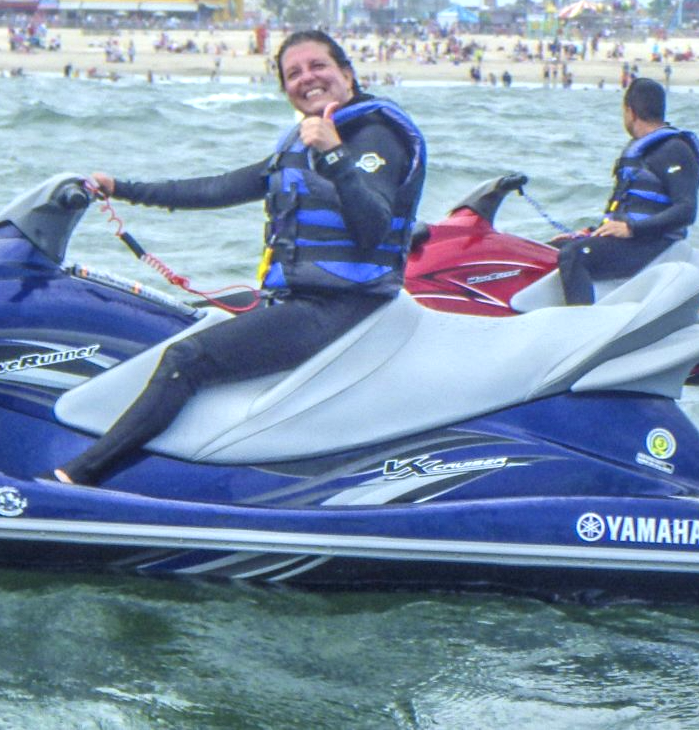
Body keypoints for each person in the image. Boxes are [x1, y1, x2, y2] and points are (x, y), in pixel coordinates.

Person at [51, 30, 427, 486]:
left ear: (347, 74)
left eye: (318, 66)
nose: (307, 78)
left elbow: (374, 229)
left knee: (187, 359)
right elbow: (218, 188)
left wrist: (334, 154)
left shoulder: (377, 136)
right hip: (300, 301)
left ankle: (77, 477)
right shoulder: (300, 144)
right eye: (293, 73)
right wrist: (122, 189)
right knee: (177, 321)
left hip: (343, 307)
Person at [554, 77, 699, 306]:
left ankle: (583, 323)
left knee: (575, 255)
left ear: (630, 112)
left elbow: (686, 210)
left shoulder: (674, 149)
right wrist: (591, 232)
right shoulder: (641, 150)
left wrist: (631, 229)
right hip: (632, 239)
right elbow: (627, 209)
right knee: (548, 250)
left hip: (654, 244)